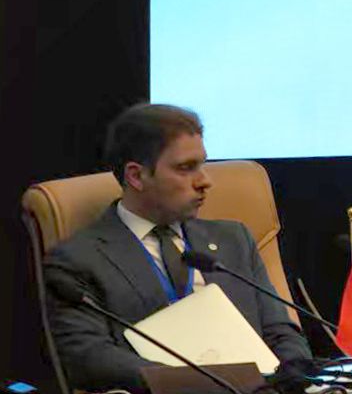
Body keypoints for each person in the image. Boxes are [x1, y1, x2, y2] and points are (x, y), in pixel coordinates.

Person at [43, 103, 312, 394]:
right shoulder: (78, 260)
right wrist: (204, 383)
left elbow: (281, 333)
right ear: (136, 176)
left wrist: (291, 378)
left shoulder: (234, 239)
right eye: (186, 168)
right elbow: (90, 359)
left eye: (203, 165)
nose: (205, 181)